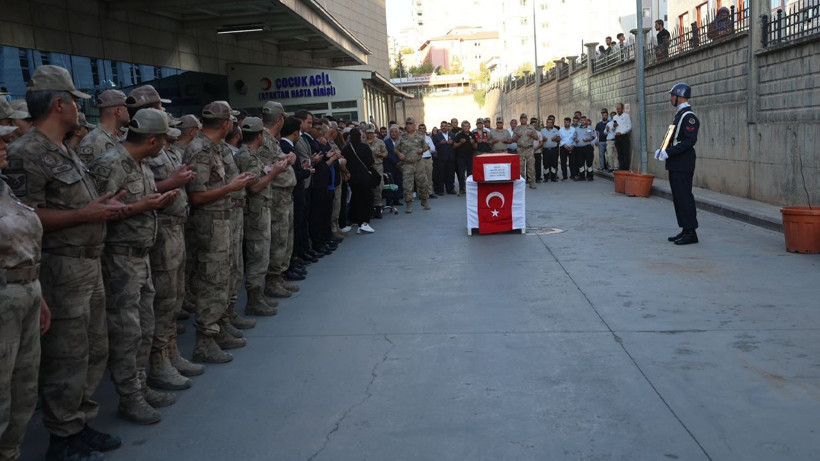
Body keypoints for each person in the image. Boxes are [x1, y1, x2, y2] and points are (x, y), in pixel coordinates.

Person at [6, 65, 126, 460]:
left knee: (93, 348)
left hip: (88, 263)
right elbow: (26, 215)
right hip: (61, 267)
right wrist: (85, 215)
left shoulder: (64, 149)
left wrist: (98, 208)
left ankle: (79, 420)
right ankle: (63, 434)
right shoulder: (28, 152)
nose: (79, 108)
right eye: (75, 101)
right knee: (67, 354)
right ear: (60, 104)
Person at [88, 108, 181, 424]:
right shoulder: (111, 164)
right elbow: (96, 214)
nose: (164, 147)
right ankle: (129, 397)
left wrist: (155, 202)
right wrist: (141, 206)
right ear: (153, 140)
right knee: (126, 333)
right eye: (163, 141)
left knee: (144, 326)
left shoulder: (138, 165)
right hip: (119, 259)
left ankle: (140, 386)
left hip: (140, 257)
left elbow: (139, 202)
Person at [183, 101, 255, 364]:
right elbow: (197, 196)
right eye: (233, 121)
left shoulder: (215, 147)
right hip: (209, 223)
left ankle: (220, 328)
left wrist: (234, 184)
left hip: (223, 220)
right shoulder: (200, 149)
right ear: (226, 124)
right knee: (211, 282)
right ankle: (205, 341)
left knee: (223, 278)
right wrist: (230, 187)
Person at [0, 124, 51, 461]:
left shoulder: (4, 186)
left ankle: (10, 452)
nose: (6, 143)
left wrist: (38, 293)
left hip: (26, 289)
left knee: (23, 387)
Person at [235, 116, 289, 316]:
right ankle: (254, 298)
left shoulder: (250, 154)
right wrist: (274, 173)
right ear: (259, 137)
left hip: (260, 210)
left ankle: (258, 295)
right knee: (258, 254)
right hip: (255, 212)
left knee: (262, 252)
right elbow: (255, 187)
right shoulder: (247, 156)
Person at [655, 83, 700, 245]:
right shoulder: (679, 114)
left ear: (680, 96)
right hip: (675, 162)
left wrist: (669, 152)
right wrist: (661, 149)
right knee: (678, 197)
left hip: (683, 161)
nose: (671, 98)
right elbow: (670, 135)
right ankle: (685, 228)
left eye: (672, 95)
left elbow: (688, 141)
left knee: (684, 196)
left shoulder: (689, 116)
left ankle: (691, 232)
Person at [79, 89, 129, 165]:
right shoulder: (92, 142)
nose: (129, 112)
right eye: (126, 108)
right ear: (118, 111)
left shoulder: (119, 137)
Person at [342, 128, 376, 233]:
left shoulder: (346, 149)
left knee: (357, 200)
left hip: (352, 178)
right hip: (364, 178)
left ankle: (358, 221)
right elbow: (371, 162)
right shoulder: (365, 147)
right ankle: (365, 222)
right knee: (368, 199)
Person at [393, 117, 430, 213]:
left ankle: (424, 200)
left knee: (423, 183)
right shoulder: (402, 136)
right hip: (407, 164)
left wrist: (422, 150)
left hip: (418, 163)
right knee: (407, 185)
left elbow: (426, 147)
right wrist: (399, 154)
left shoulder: (420, 135)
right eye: (407, 124)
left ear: (414, 125)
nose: (408, 126)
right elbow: (395, 149)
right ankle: (409, 204)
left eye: (410, 124)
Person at [364, 124, 388, 215]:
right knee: (368, 187)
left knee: (378, 187)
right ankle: (370, 208)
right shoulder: (363, 142)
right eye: (368, 133)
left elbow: (386, 154)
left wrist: (380, 155)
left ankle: (378, 207)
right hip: (367, 167)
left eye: (371, 133)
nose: (370, 135)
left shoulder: (380, 142)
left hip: (377, 166)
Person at [513, 113, 538, 188]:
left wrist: (531, 135)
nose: (523, 119)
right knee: (520, 167)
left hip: (529, 149)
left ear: (527, 119)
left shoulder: (531, 127)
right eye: (522, 118)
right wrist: (517, 136)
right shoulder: (517, 128)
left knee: (531, 166)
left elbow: (536, 137)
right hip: (520, 149)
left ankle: (531, 181)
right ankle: (521, 182)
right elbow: (513, 140)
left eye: (524, 118)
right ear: (520, 119)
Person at [453, 120, 477, 196]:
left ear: (469, 127)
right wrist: (460, 142)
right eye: (464, 126)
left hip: (470, 157)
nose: (466, 128)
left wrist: (473, 143)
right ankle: (461, 189)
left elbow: (476, 147)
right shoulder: (459, 135)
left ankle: (470, 189)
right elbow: (454, 146)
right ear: (462, 127)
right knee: (461, 174)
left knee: (470, 174)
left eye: (467, 126)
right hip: (461, 158)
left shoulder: (472, 135)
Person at [432, 121, 455, 195]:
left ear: (448, 127)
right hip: (441, 158)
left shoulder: (452, 135)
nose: (444, 127)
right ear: (440, 127)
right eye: (443, 126)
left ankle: (450, 189)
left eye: (445, 126)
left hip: (450, 158)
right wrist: (440, 143)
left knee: (450, 174)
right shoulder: (437, 136)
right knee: (441, 175)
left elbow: (455, 145)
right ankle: (440, 190)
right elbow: (434, 146)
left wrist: (452, 142)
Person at [540, 116, 560, 182]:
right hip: (546, 150)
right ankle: (546, 177)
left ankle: (553, 177)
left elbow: (559, 139)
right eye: (548, 122)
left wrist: (556, 139)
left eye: (551, 123)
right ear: (546, 123)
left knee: (554, 163)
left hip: (554, 149)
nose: (549, 124)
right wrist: (543, 139)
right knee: (546, 163)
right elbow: (539, 139)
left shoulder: (556, 130)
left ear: (553, 123)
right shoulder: (542, 131)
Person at [613, 103, 632, 170]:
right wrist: (614, 127)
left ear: (622, 109)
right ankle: (621, 167)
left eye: (619, 109)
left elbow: (629, 127)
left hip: (624, 136)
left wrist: (621, 133)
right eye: (617, 109)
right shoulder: (614, 117)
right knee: (619, 153)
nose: (618, 110)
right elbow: (613, 128)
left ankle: (626, 168)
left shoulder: (626, 116)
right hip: (617, 137)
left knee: (625, 153)